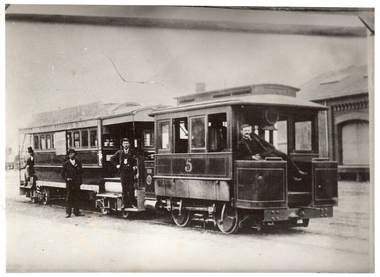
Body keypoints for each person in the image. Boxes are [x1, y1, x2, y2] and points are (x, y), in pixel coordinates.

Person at [237, 124, 307, 181]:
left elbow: (263, 141)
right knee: (280, 160)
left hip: (268, 150)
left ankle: (297, 171)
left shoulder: (254, 135)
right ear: (241, 131)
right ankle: (291, 177)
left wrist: (272, 146)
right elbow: (241, 156)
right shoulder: (241, 143)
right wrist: (252, 157)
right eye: (245, 130)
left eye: (248, 130)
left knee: (285, 155)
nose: (247, 132)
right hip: (262, 154)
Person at [110, 138, 138, 209]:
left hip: (130, 173)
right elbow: (112, 158)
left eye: (127, 143)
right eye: (124, 144)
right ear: (122, 145)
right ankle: (124, 204)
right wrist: (117, 165)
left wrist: (135, 166)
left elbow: (136, 159)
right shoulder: (119, 152)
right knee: (124, 189)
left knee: (131, 188)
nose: (126, 145)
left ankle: (132, 204)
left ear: (129, 144)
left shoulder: (132, 152)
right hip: (123, 173)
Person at [61, 149, 84, 218]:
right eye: (70, 154)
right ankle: (68, 213)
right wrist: (66, 179)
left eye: (73, 154)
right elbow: (62, 173)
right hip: (70, 183)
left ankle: (76, 212)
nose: (72, 155)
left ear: (75, 155)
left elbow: (81, 172)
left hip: (76, 182)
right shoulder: (66, 163)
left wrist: (78, 168)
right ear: (68, 155)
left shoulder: (78, 162)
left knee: (77, 197)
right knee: (69, 198)